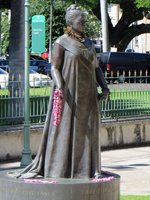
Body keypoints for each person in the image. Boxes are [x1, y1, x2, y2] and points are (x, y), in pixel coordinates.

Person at [18, 4, 110, 179]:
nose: (83, 22)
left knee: (89, 131)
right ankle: (59, 169)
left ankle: (91, 169)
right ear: (71, 22)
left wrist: (104, 86)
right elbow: (54, 67)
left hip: (88, 95)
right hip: (69, 94)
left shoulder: (89, 44)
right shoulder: (61, 42)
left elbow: (96, 68)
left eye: (84, 20)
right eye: (79, 20)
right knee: (65, 131)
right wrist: (59, 85)